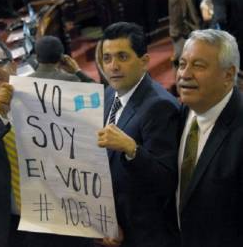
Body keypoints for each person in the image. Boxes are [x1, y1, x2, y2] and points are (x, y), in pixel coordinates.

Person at [0, 39, 93, 247]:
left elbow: (87, 154)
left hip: (63, 221)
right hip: (10, 231)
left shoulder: (48, 98)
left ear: (13, 65)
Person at [97, 22, 180, 247]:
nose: (113, 66)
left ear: (144, 61)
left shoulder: (160, 106)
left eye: (122, 57)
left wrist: (132, 150)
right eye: (107, 58)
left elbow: (165, 181)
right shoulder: (108, 94)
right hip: (113, 227)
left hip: (144, 234)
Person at [177, 29, 243, 247]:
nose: (184, 74)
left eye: (198, 65)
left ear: (228, 75)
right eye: (182, 63)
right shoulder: (179, 112)